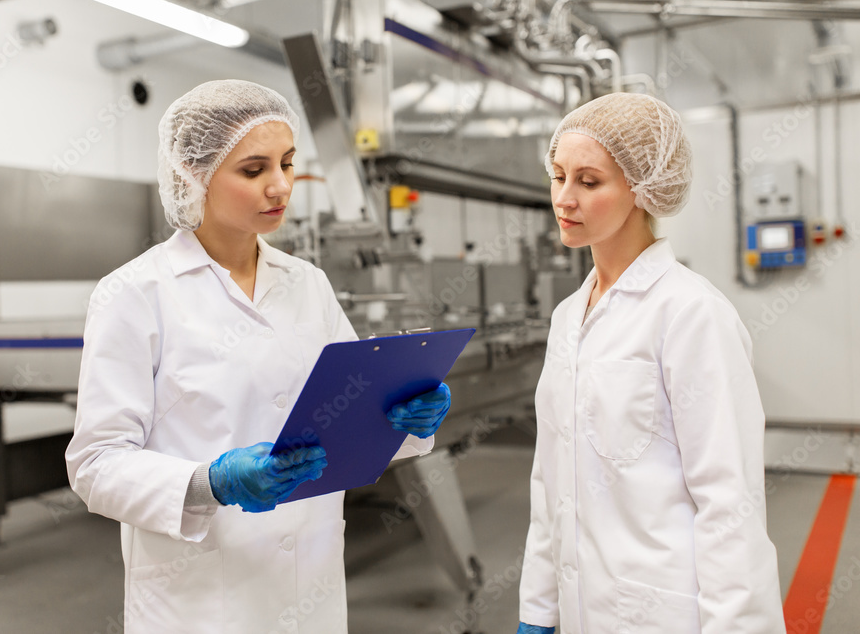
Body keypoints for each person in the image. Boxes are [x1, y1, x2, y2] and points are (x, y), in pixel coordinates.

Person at [65, 79, 451, 633]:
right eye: (253, 170)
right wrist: (210, 483)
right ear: (192, 175)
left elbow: (349, 416)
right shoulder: (135, 293)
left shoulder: (307, 283)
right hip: (201, 597)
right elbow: (95, 463)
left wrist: (402, 417)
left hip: (310, 587)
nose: (280, 186)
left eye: (288, 163)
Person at [516, 93, 784, 634]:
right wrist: (538, 609)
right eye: (558, 176)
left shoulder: (692, 313)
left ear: (644, 189)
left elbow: (729, 502)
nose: (564, 199)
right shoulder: (569, 317)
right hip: (580, 610)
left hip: (662, 613)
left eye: (589, 182)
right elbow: (551, 482)